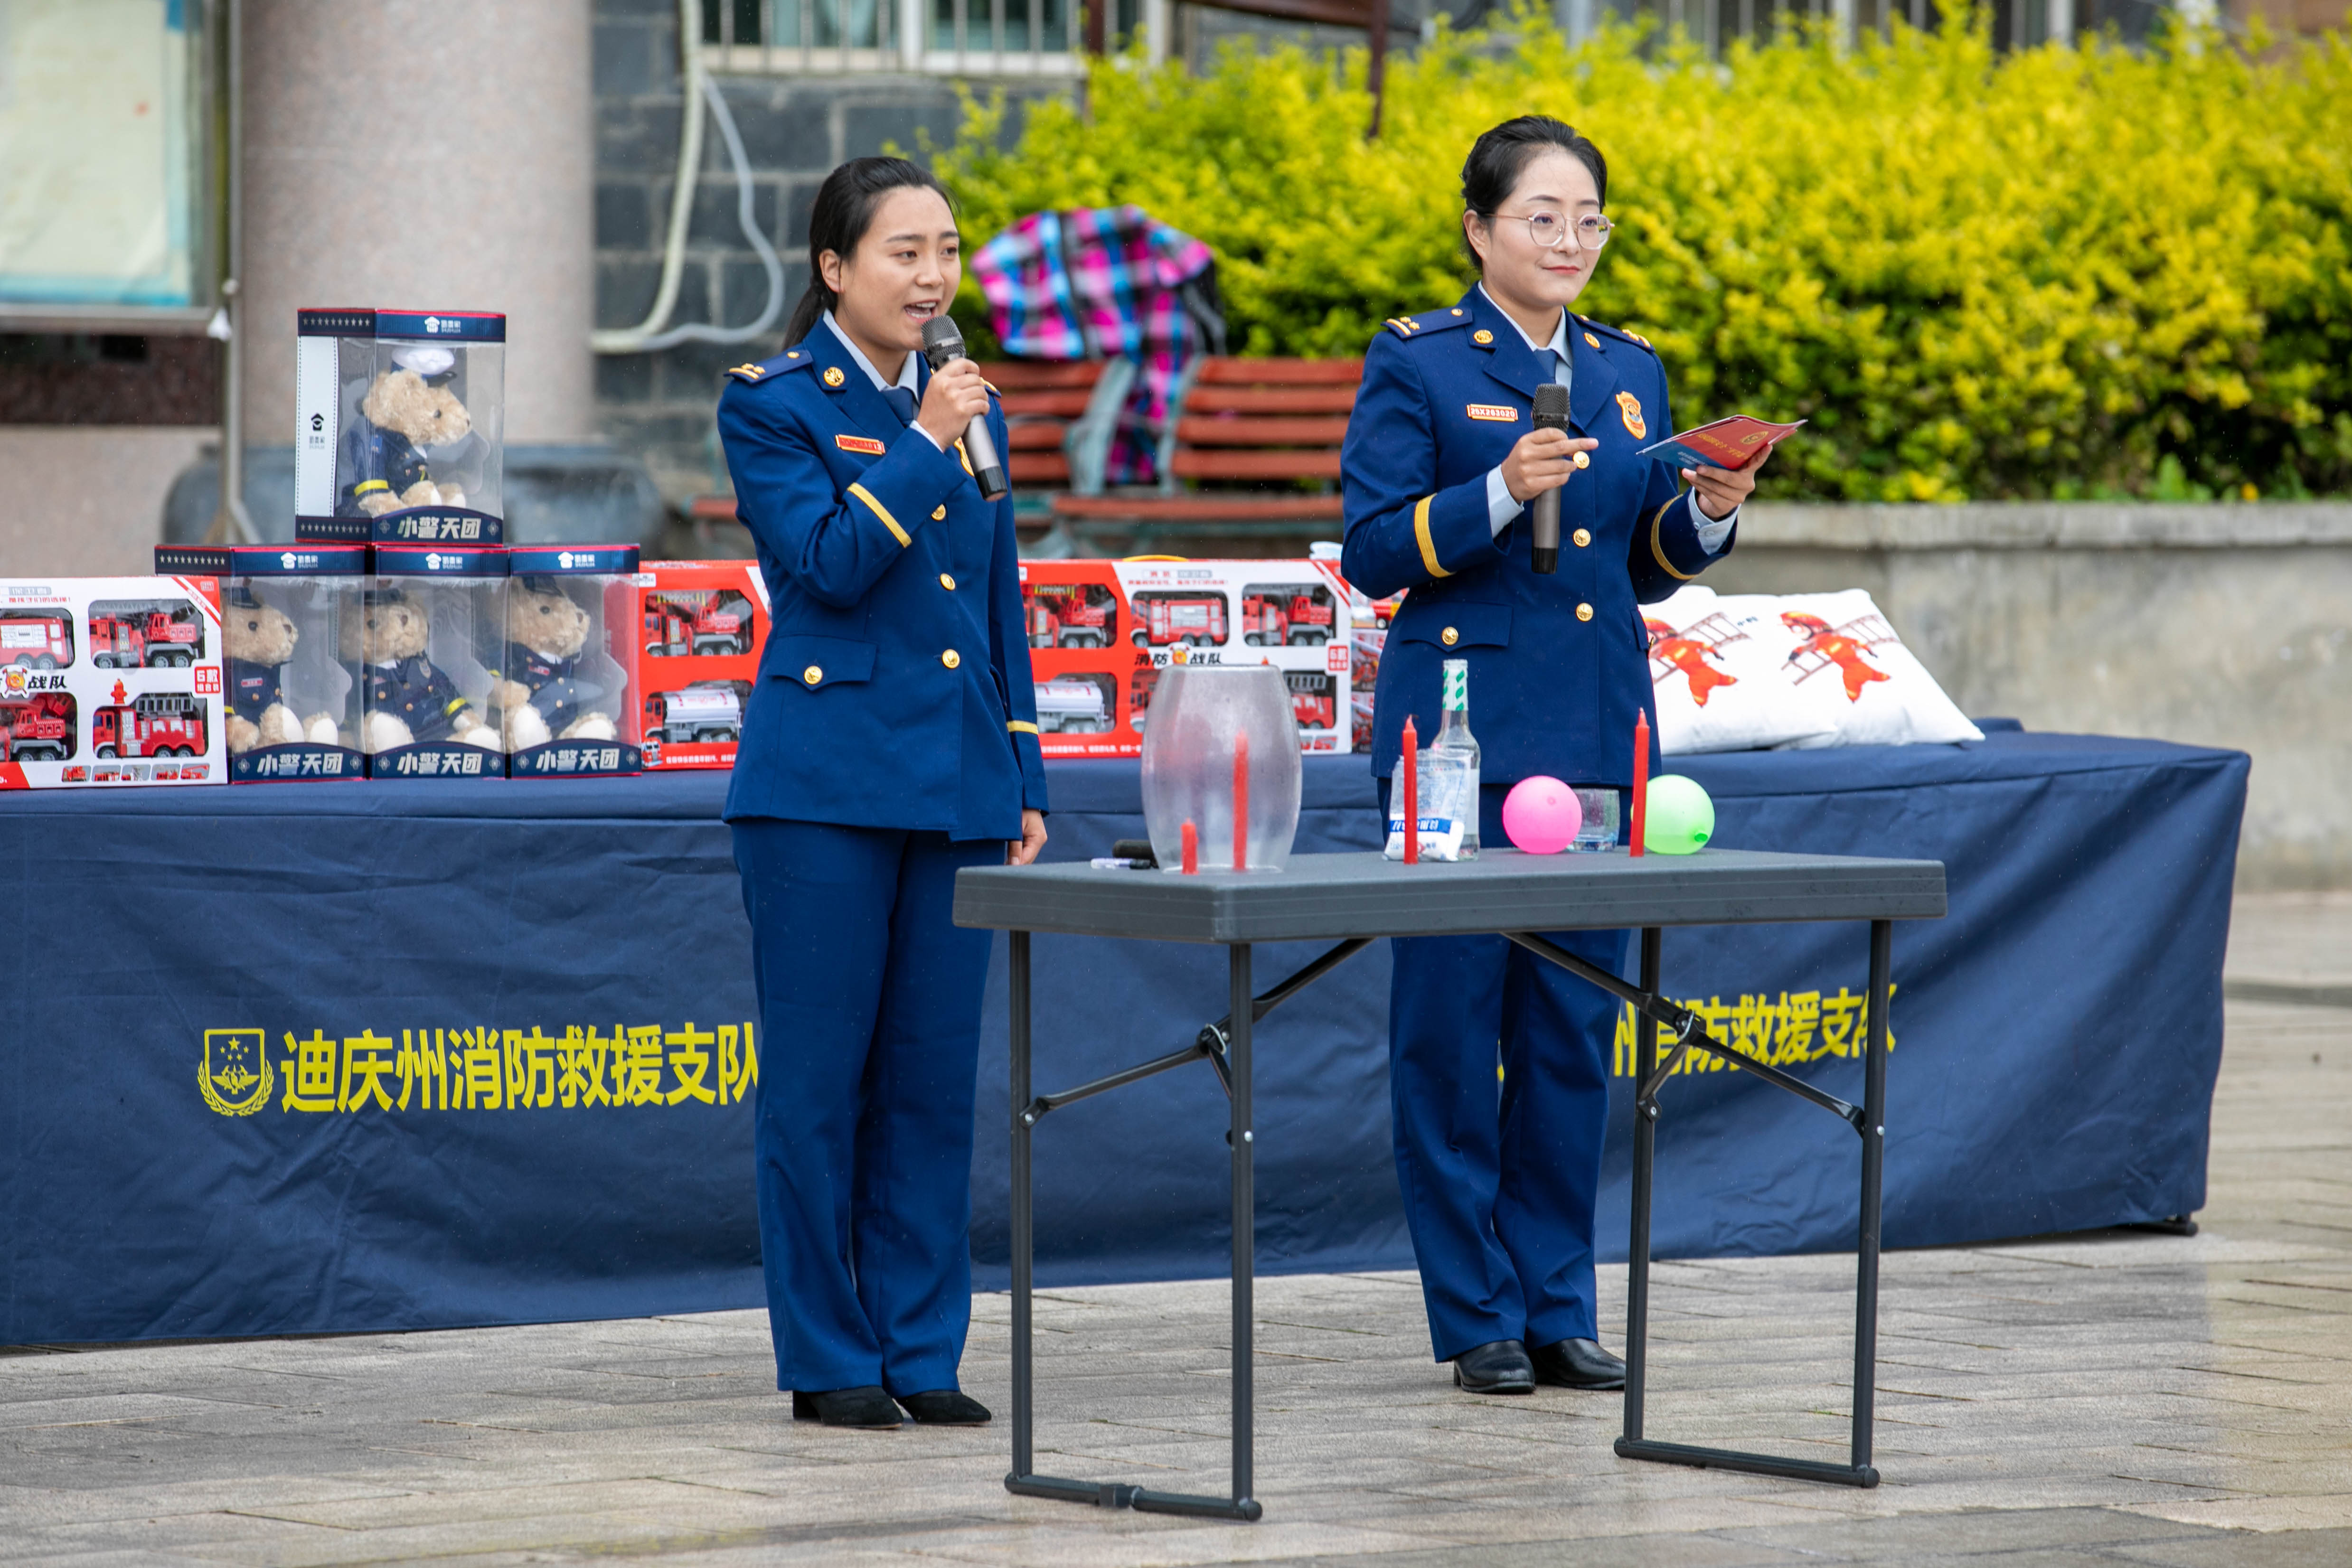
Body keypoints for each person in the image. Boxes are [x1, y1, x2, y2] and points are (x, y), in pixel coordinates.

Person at [1340, 116, 1765, 1397]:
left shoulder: (1629, 369)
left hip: (1592, 731)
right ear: (1479, 230)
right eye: (1541, 216)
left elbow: (1641, 563)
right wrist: (1495, 492)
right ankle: (1475, 1313)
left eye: (1589, 219)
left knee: (1573, 1033)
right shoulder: (1418, 360)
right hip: (1456, 739)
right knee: (1450, 1034)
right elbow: (1372, 551)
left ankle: (1557, 1303)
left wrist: (1706, 513)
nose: (1569, 239)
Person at [715, 156, 1049, 1431]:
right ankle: (829, 1357)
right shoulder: (775, 406)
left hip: (956, 780)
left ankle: (922, 1349)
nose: (932, 276)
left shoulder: (964, 404)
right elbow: (829, 564)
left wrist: (1021, 768)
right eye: (904, 252)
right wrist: (921, 444)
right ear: (834, 267)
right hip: (822, 785)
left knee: (928, 1081)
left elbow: (998, 604)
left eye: (947, 250)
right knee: (816, 1087)